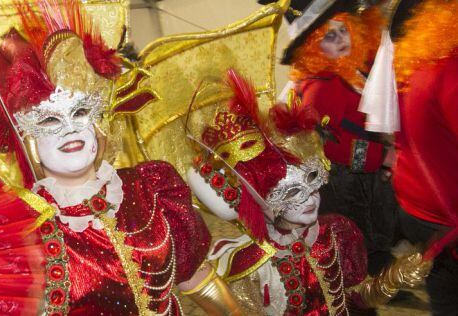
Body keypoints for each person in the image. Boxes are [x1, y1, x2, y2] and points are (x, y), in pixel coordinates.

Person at [0, 2, 241, 314]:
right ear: (27, 139)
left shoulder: (151, 189)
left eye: (80, 113)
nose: (69, 129)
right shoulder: (22, 228)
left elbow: (201, 284)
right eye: (49, 121)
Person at [186, 69, 430, 315]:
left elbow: (352, 299)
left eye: (312, 180)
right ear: (259, 200)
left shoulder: (335, 232)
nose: (310, 197)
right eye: (291, 192)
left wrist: (389, 281)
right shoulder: (246, 265)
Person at [261, 0, 400, 275]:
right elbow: (327, 145)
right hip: (346, 184)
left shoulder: (339, 73)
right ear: (312, 45)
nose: (341, 39)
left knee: (371, 241)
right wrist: (380, 156)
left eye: (343, 29)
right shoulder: (323, 85)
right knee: (359, 241)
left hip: (357, 179)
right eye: (329, 35)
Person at [391, 0, 458, 314]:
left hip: (416, 207)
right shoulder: (449, 70)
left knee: (445, 296)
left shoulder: (418, 62)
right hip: (445, 218)